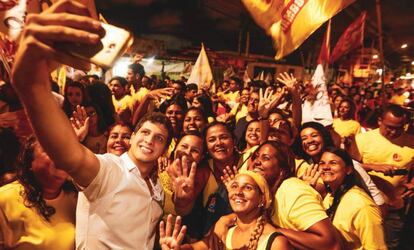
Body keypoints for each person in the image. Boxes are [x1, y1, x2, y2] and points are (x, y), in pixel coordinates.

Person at [10, 1, 175, 248]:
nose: (150, 140)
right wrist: (32, 86)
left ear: (165, 149)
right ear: (133, 136)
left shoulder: (156, 186)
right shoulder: (109, 171)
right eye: (145, 132)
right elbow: (70, 157)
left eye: (159, 138)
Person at [160, 170, 292, 249]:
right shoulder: (225, 231)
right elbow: (197, 248)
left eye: (247, 188)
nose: (238, 192)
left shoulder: (276, 242)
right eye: (234, 186)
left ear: (262, 200)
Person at [352, 104, 414, 250]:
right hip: (367, 204)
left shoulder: (411, 142)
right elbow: (349, 166)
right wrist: (374, 167)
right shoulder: (362, 140)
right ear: (380, 121)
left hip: (396, 205)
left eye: (399, 128)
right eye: (389, 127)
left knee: (391, 243)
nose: (393, 131)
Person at [0, 137, 77, 249]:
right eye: (49, 150)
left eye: (63, 151)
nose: (59, 157)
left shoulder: (76, 197)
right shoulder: (5, 199)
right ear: (29, 161)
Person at [319, 147, 386, 250]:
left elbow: (376, 247)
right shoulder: (330, 196)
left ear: (348, 169)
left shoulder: (361, 204)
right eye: (322, 163)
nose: (326, 167)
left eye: (333, 163)